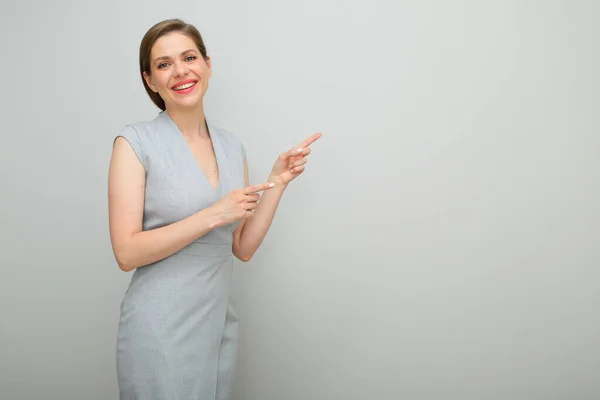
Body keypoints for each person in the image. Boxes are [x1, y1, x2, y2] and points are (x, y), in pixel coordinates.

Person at [107, 18, 321, 400]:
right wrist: (213, 215)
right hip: (158, 328)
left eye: (189, 57)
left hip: (218, 324)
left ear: (207, 64)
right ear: (150, 80)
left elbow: (241, 247)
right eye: (164, 64)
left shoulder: (231, 147)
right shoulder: (134, 143)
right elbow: (126, 253)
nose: (180, 71)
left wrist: (278, 181)